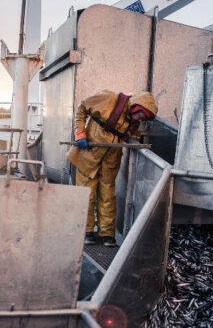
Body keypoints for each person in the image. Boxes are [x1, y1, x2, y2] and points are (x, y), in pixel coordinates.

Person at [67, 90, 158, 247]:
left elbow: (132, 136)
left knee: (108, 196)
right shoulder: (108, 98)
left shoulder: (133, 122)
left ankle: (107, 234)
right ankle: (86, 231)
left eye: (144, 118)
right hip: (89, 155)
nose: (140, 120)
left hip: (111, 160)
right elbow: (82, 107)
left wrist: (134, 141)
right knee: (85, 194)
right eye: (141, 116)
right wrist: (80, 133)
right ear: (136, 107)